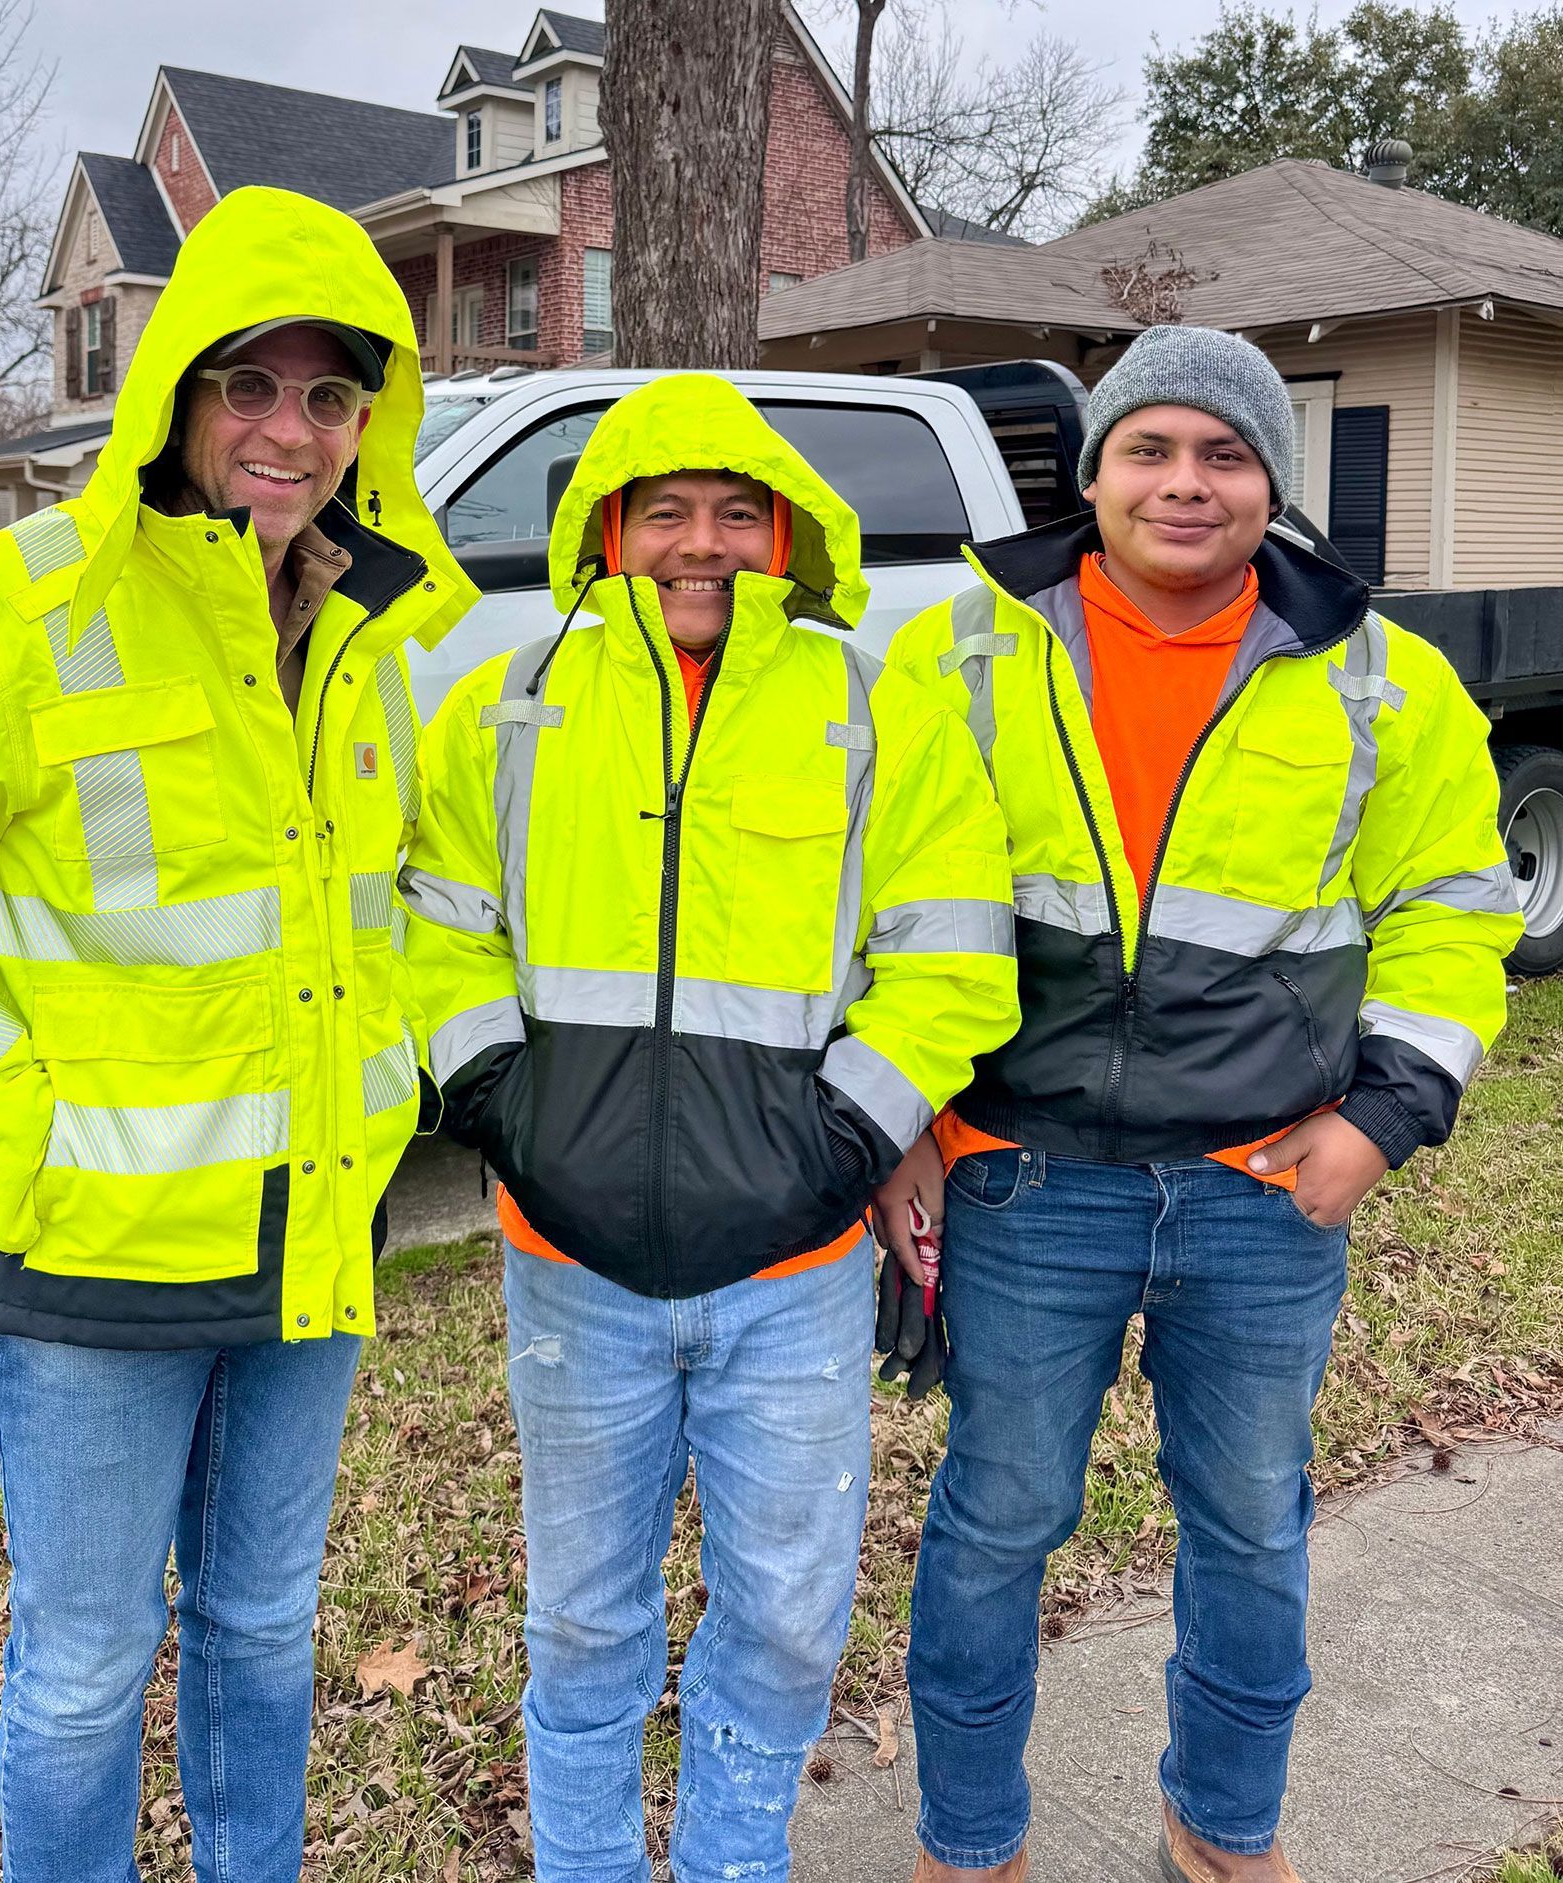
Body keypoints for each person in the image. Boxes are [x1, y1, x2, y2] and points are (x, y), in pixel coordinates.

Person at [0, 187, 473, 1883]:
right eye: (249, 385)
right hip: (90, 1256)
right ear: (174, 391)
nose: (287, 431)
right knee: (82, 1672)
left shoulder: (371, 639)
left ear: (372, 421)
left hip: (309, 1236)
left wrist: (395, 1099)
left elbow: (401, 906)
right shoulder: (2, 612)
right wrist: (21, 1134)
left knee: (261, 1630)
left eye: (328, 394)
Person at [875, 324, 1522, 1883]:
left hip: (1259, 1191)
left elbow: (1453, 905)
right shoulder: (962, 649)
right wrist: (899, 1126)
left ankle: (1221, 1828)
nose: (1186, 482)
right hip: (1024, 1180)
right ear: (1092, 472)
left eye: (1225, 454)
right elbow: (874, 907)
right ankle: (970, 1844)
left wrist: (1382, 1120)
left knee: (1248, 1523)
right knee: (1000, 1520)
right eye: (1149, 448)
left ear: (1272, 488)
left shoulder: (1381, 677)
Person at [400, 373, 1019, 1883]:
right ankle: (590, 1867)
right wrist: (504, 1108)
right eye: (663, 510)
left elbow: (954, 957)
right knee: (586, 1615)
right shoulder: (510, 706)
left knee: (790, 1610)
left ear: (789, 534)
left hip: (794, 1269)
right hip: (572, 1267)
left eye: (735, 512)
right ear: (604, 532)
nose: (701, 543)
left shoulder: (878, 704)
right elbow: (433, 935)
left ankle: (736, 1862)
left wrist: (839, 1145)